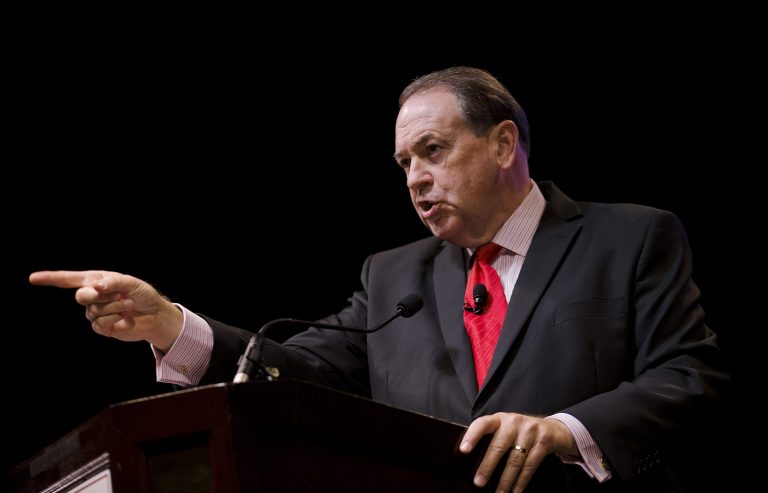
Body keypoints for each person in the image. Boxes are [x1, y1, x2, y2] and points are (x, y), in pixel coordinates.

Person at [29, 66, 728, 492]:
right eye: (403, 164)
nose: (416, 179)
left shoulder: (630, 237)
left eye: (432, 150)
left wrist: (564, 430)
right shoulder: (396, 274)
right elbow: (298, 368)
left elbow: (688, 378)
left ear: (503, 143)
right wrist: (170, 324)